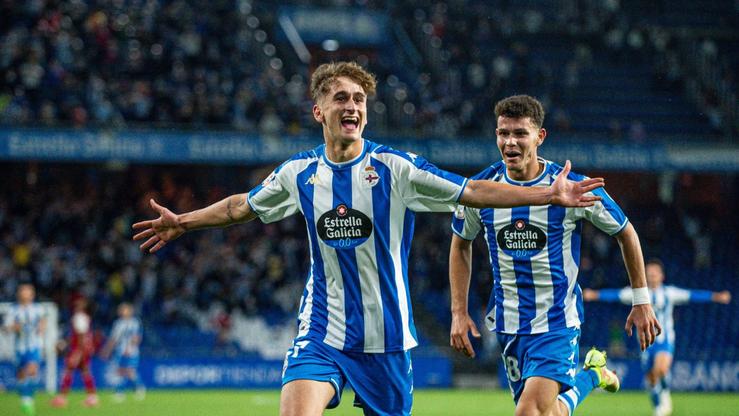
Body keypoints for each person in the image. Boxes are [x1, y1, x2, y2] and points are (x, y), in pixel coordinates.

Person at [131, 61, 604, 416]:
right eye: (341, 98)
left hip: (388, 338)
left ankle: (584, 379)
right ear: (319, 110)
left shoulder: (397, 169)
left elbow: (473, 190)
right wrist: (184, 222)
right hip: (324, 330)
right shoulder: (299, 174)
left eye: (359, 99)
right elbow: (241, 207)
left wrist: (547, 193)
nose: (352, 106)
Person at [449, 94, 662, 416]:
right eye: (503, 133)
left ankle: (589, 376)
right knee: (548, 412)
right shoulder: (482, 189)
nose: (510, 142)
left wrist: (642, 300)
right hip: (509, 323)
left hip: (557, 321)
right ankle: (592, 376)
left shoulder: (572, 188)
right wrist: (458, 311)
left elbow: (626, 232)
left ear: (540, 136)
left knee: (528, 412)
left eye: (520, 133)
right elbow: (460, 242)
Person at [583, 258, 731, 416]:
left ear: (662, 276)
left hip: (665, 340)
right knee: (651, 378)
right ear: (645, 276)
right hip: (645, 342)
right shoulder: (636, 294)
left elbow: (693, 295)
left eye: (655, 274)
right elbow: (614, 295)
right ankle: (658, 405)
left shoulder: (670, 293)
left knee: (661, 368)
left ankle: (664, 396)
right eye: (649, 274)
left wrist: (716, 296)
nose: (652, 277)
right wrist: (594, 294)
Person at [2, 284, 46, 416]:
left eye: (27, 291)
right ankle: (25, 398)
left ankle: (28, 400)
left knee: (32, 370)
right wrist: (15, 327)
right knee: (21, 376)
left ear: (32, 295)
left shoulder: (38, 309)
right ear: (19, 294)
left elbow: (43, 321)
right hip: (18, 348)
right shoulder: (13, 310)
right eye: (22, 291)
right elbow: (6, 327)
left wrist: (41, 328)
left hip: (34, 346)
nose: (25, 293)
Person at [51, 297, 99, 408]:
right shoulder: (84, 317)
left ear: (83, 306)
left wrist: (78, 352)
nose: (76, 304)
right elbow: (79, 335)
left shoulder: (80, 317)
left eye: (79, 303)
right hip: (83, 348)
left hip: (79, 348)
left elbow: (81, 336)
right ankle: (92, 397)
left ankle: (62, 398)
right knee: (85, 371)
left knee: (69, 369)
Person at [101, 302, 145, 402]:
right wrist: (107, 350)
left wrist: (131, 346)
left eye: (123, 309)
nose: (121, 311)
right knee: (119, 372)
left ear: (129, 311)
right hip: (120, 351)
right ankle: (119, 392)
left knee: (129, 371)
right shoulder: (118, 323)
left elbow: (138, 337)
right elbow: (113, 339)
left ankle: (138, 387)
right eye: (120, 310)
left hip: (132, 352)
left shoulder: (135, 322)